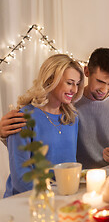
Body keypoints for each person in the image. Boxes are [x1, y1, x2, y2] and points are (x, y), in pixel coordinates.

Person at [1, 48, 109, 169]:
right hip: (76, 177)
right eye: (100, 81)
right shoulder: (68, 102)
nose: (104, 90)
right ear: (86, 71)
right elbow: (38, 141)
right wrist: (3, 135)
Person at [4, 54, 85, 197]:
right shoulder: (23, 117)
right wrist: (53, 196)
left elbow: (71, 164)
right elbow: (21, 178)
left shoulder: (72, 118)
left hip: (63, 195)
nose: (74, 90)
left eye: (77, 84)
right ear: (51, 79)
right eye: (69, 82)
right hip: (27, 199)